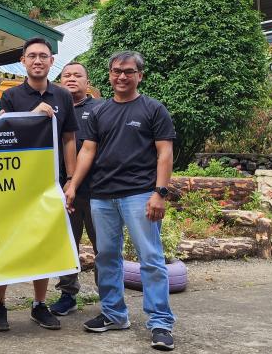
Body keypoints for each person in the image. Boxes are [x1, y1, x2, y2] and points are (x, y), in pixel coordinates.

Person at [64, 51, 176, 351]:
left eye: (128, 71)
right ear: (110, 74)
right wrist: (73, 185)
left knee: (151, 259)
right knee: (106, 258)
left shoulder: (153, 109)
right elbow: (87, 151)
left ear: (140, 75)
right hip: (101, 196)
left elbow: (165, 153)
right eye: (116, 71)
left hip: (140, 195)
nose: (121, 76)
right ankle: (114, 314)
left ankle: (161, 323)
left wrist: (160, 193)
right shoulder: (100, 112)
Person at [0, 37, 78, 332]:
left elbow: (69, 139)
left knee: (43, 244)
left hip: (49, 184)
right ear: (24, 61)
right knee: (5, 242)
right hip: (14, 185)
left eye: (43, 55)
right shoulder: (12, 96)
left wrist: (71, 180)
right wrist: (32, 116)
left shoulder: (64, 96)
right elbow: (4, 135)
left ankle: (39, 305)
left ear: (52, 61)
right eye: (32, 56)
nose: (38, 60)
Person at [49, 61, 102, 317]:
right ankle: (67, 294)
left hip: (96, 192)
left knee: (103, 245)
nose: (71, 79)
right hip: (62, 190)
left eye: (77, 75)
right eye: (66, 75)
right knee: (66, 244)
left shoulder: (101, 109)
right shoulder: (54, 109)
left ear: (87, 81)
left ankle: (109, 295)